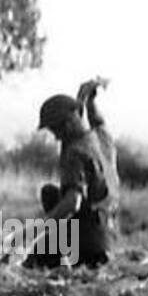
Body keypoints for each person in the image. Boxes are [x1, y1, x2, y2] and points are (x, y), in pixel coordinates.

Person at [29, 77, 119, 268]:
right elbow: (97, 120)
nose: (56, 135)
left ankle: (64, 256)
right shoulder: (103, 138)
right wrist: (88, 101)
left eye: (56, 128)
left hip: (88, 242)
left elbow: (72, 202)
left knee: (32, 265)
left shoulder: (74, 153)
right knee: (51, 193)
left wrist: (36, 230)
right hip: (108, 236)